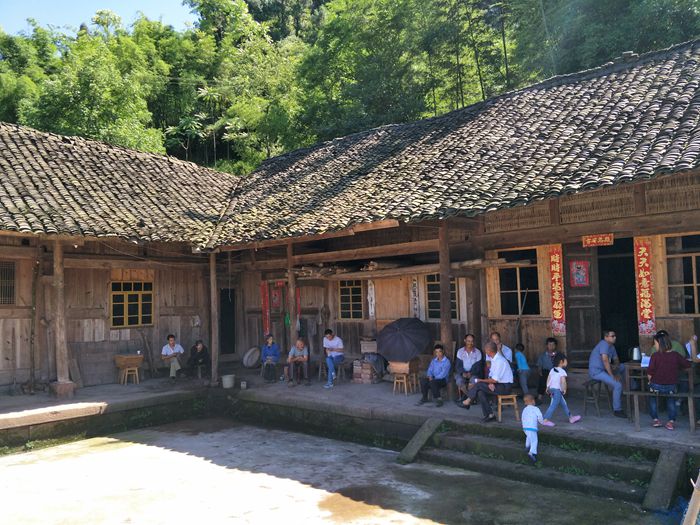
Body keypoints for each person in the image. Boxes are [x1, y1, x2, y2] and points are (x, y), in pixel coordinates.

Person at [647, 332, 691, 430]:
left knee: (652, 398)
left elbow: (650, 372)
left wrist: (650, 381)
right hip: (671, 386)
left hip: (656, 386)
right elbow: (687, 364)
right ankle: (671, 421)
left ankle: (655, 419)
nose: (654, 346)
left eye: (655, 343)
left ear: (660, 344)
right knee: (671, 400)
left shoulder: (655, 356)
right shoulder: (675, 355)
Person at [462, 341, 513, 422]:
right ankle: (490, 415)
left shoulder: (500, 361)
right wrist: (490, 382)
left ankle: (468, 401)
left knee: (479, 384)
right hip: (498, 384)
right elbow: (491, 375)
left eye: (486, 350)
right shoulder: (494, 359)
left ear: (489, 351)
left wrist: (481, 380)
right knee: (480, 392)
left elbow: (495, 380)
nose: (485, 352)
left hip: (505, 387)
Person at [588, 329, 626, 418]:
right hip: (596, 372)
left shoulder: (612, 347)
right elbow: (605, 360)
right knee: (617, 385)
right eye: (612, 336)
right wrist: (612, 375)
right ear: (606, 337)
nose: (615, 338)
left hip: (605, 370)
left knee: (623, 366)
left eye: (615, 336)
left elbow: (616, 359)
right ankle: (617, 410)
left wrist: (616, 366)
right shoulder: (604, 344)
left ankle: (628, 389)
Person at [542, 353, 581, 426]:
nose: (567, 362)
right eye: (566, 360)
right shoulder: (562, 371)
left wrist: (547, 387)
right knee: (553, 405)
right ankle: (545, 419)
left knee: (564, 404)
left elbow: (548, 379)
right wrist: (564, 389)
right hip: (557, 391)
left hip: (552, 389)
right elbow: (563, 382)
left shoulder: (552, 370)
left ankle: (571, 417)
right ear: (561, 361)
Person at [522, 393, 544, 463]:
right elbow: (540, 416)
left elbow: (522, 418)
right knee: (534, 440)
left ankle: (527, 446)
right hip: (532, 427)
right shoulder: (536, 408)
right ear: (533, 401)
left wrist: (524, 426)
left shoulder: (524, 409)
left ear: (525, 402)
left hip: (525, 427)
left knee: (528, 436)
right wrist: (542, 422)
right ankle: (531, 452)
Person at [536, 338, 558, 405]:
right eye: (549, 344)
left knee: (554, 385)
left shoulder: (558, 355)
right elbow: (539, 364)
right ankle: (539, 399)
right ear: (546, 345)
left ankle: (555, 399)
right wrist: (539, 371)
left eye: (553, 345)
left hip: (555, 371)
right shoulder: (542, 355)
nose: (551, 346)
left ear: (555, 346)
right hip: (545, 371)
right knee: (542, 383)